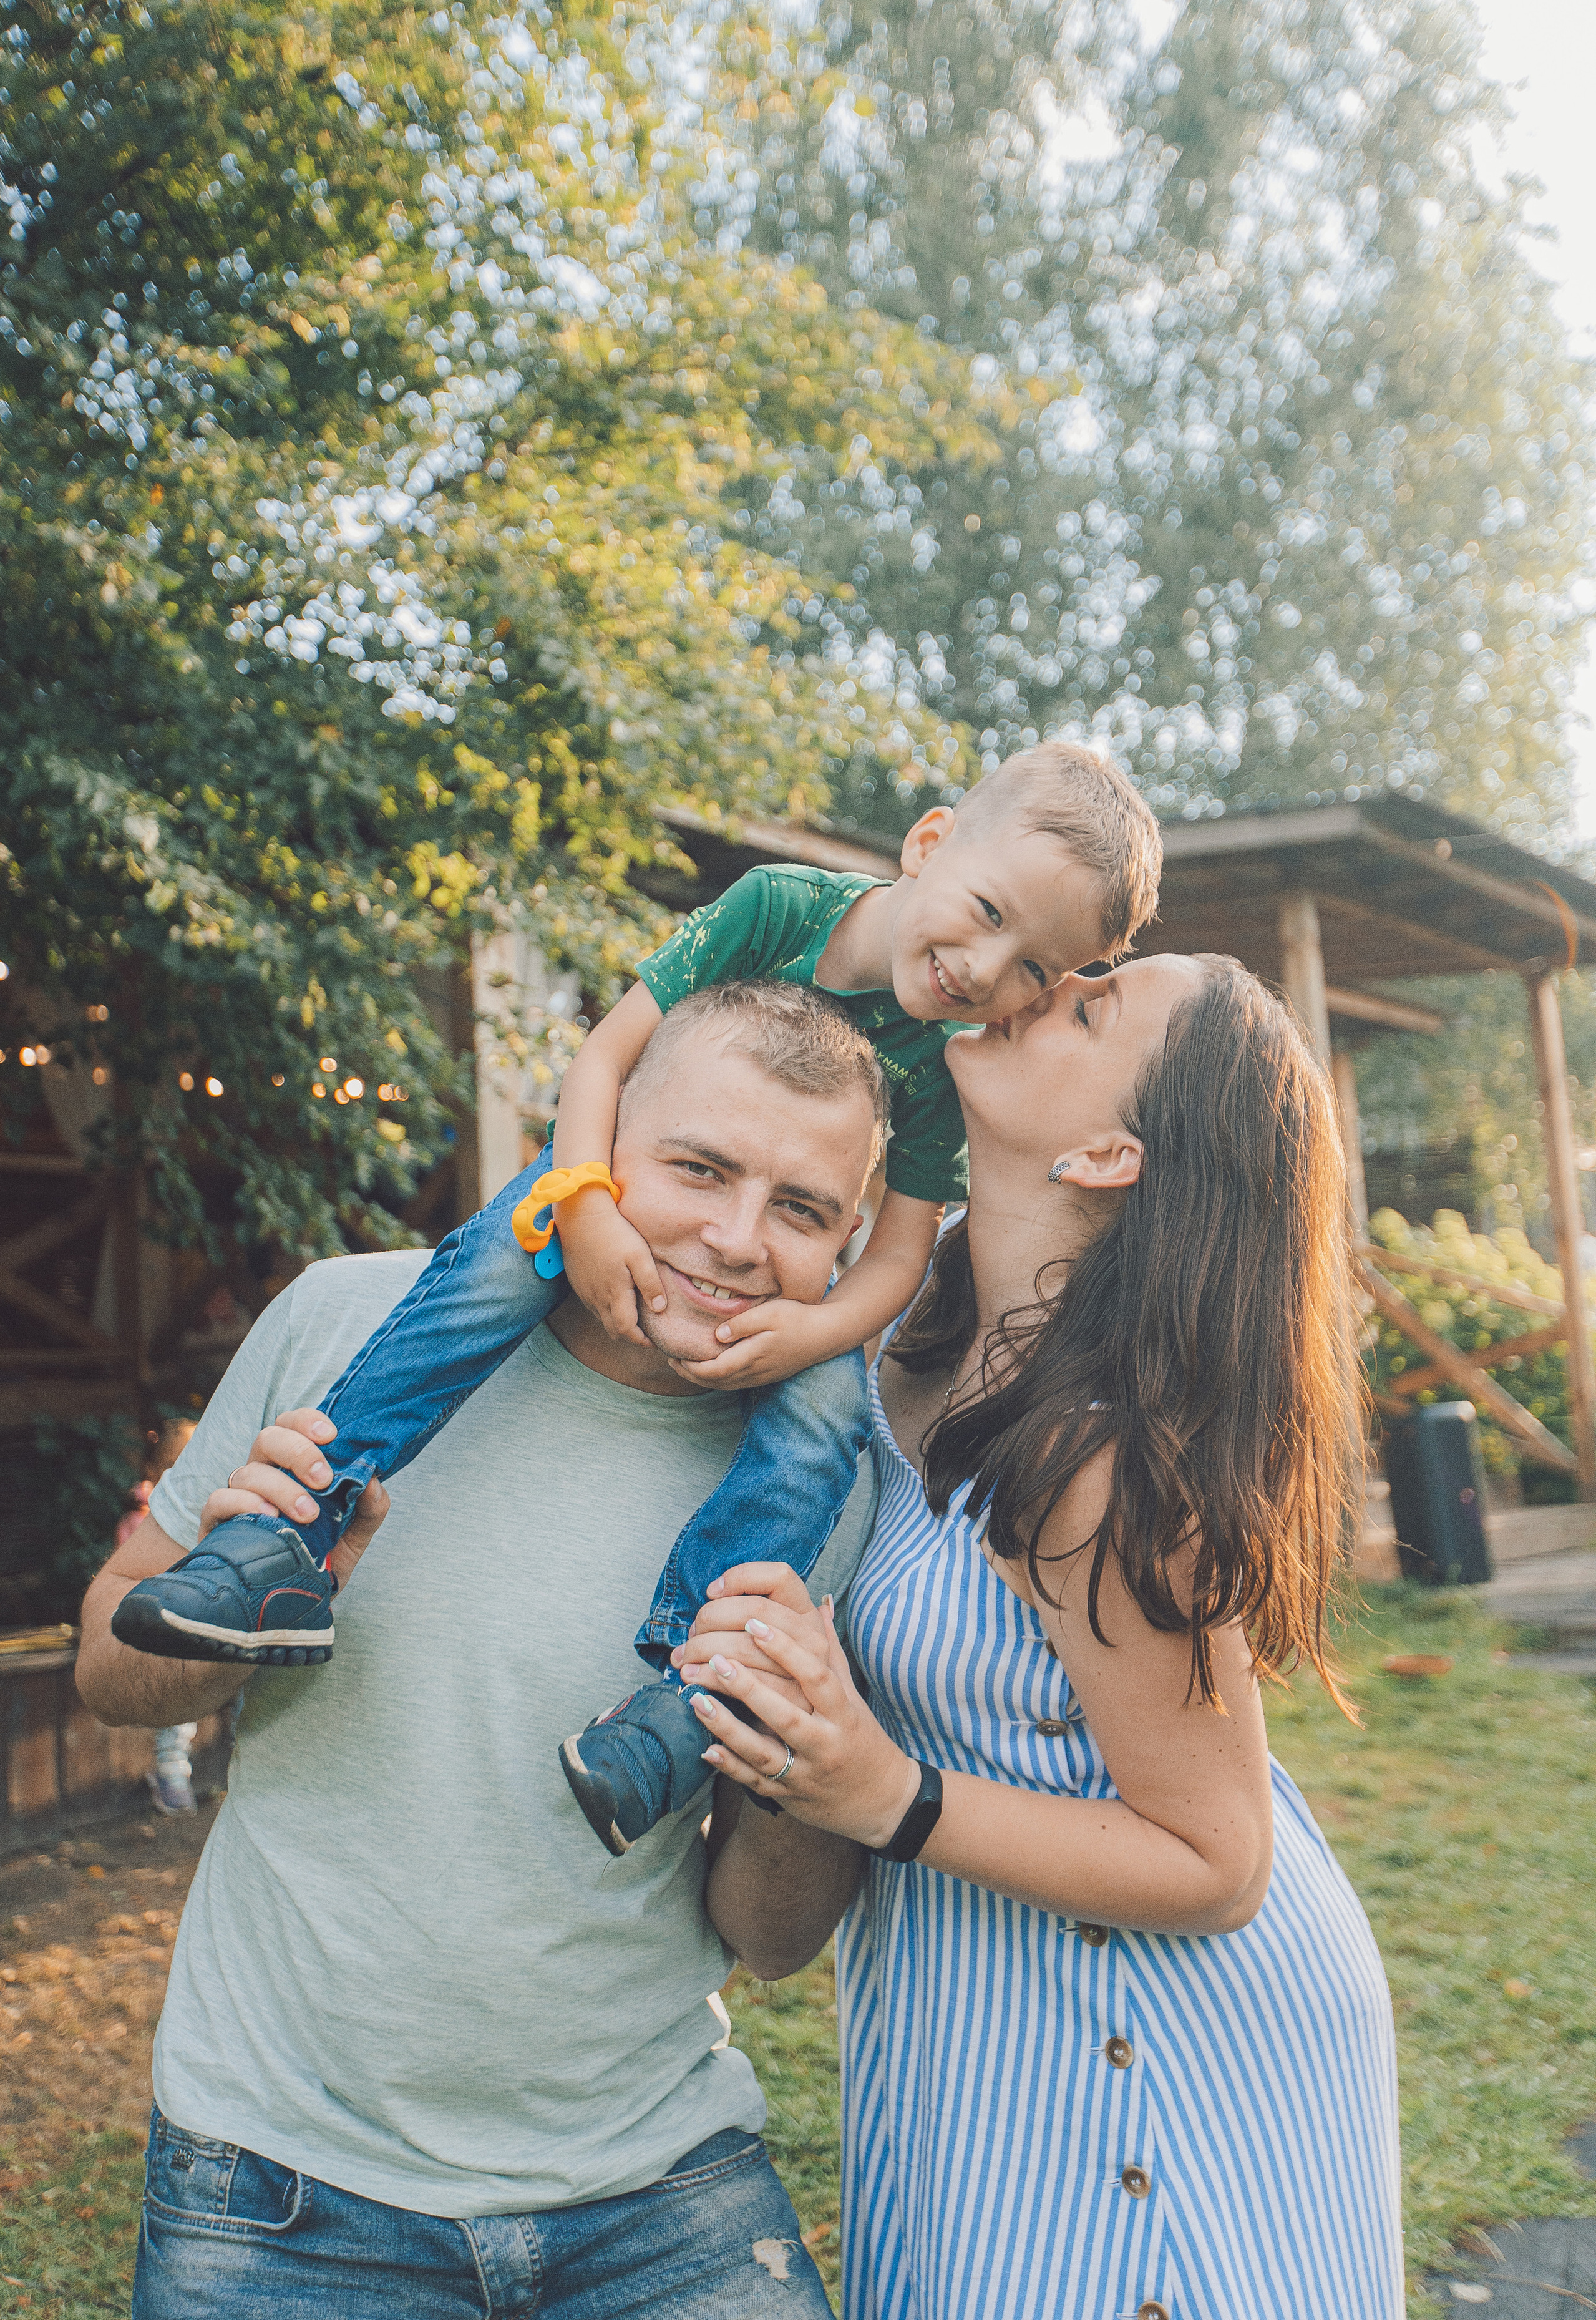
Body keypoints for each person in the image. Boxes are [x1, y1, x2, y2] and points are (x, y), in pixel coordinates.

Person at [112, 744, 1164, 1856]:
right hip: (601, 1179)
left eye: (1034, 968)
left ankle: (687, 1695)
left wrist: (810, 1333)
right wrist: (586, 1204)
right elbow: (606, 1060)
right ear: (930, 843)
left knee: (821, 1427)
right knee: (493, 1267)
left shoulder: (944, 1065)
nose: (985, 969)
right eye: (988, 912)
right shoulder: (779, 908)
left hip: (794, 1306)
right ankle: (295, 1529)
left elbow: (897, 1257)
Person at [75, 980, 888, 2320]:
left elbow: (770, 1936)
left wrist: (806, 1757)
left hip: (656, 2187)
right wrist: (251, 1611)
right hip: (278, 2184)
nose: (738, 1241)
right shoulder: (348, 1325)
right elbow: (110, 1674)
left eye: (799, 1209)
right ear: (597, 1144)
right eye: (698, 1169)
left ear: (851, 1239)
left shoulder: (827, 1484)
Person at [677, 955, 1406, 2320]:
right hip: (961, 2013)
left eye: (1089, 1006)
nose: (1042, 982)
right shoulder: (897, 1314)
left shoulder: (1101, 1457)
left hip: (1157, 2049)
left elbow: (1219, 1860)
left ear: (1108, 1152)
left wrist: (885, 1794)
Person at [114, 1420, 199, 1815]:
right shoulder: (143, 1519)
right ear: (154, 1470)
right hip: (156, 1619)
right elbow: (135, 1578)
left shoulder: (203, 1511)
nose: (185, 1473)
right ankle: (171, 1772)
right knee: (178, 1694)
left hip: (193, 1616)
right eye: (174, 1464)